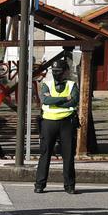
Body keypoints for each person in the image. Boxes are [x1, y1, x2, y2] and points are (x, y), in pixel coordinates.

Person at [36, 61, 79, 194]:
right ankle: (39, 184)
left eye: (59, 71)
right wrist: (64, 99)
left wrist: (55, 101)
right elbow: (45, 100)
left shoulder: (72, 84)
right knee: (45, 154)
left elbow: (74, 100)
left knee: (69, 155)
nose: (56, 74)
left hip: (67, 122)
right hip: (49, 122)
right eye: (54, 71)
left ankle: (69, 186)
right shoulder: (46, 84)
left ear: (66, 71)